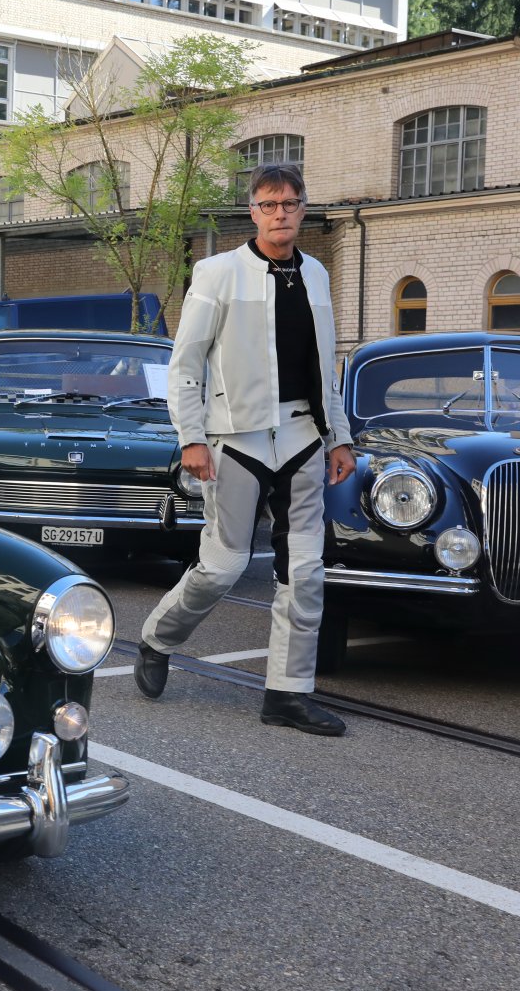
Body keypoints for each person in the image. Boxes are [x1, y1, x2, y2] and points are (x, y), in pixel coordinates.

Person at [134, 162, 356, 736]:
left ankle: (287, 694)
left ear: (303, 209)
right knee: (224, 565)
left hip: (304, 435)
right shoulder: (218, 273)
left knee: (304, 571)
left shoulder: (316, 274)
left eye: (290, 203)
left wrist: (340, 437)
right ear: (253, 212)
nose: (280, 214)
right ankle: (158, 638)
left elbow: (325, 367)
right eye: (268, 204)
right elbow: (185, 363)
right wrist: (190, 437)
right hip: (235, 437)